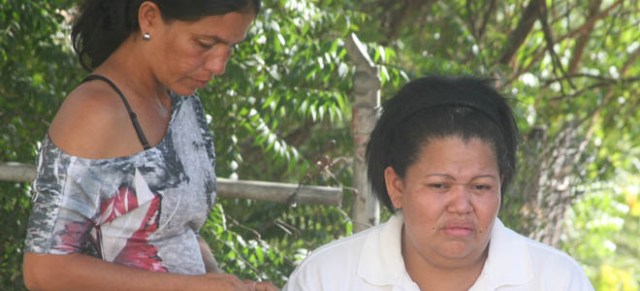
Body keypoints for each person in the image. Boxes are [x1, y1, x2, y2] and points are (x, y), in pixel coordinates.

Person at [22, 1, 277, 290]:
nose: (219, 65)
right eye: (205, 43)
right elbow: (44, 269)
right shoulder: (96, 110)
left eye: (232, 47)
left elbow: (177, 231)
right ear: (149, 18)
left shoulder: (184, 102)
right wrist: (189, 287)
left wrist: (227, 284)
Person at [284, 76, 594, 290]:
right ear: (396, 186)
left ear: (501, 183)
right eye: (439, 186)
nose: (461, 206)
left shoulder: (556, 281)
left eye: (481, 187)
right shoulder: (328, 278)